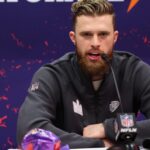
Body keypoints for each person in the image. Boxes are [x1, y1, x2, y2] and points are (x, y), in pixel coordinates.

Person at [17, 0, 150, 148]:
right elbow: (29, 132)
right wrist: (102, 145)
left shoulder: (134, 71)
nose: (95, 43)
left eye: (103, 34)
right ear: (73, 38)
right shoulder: (52, 76)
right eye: (86, 34)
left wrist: (108, 128)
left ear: (115, 37)